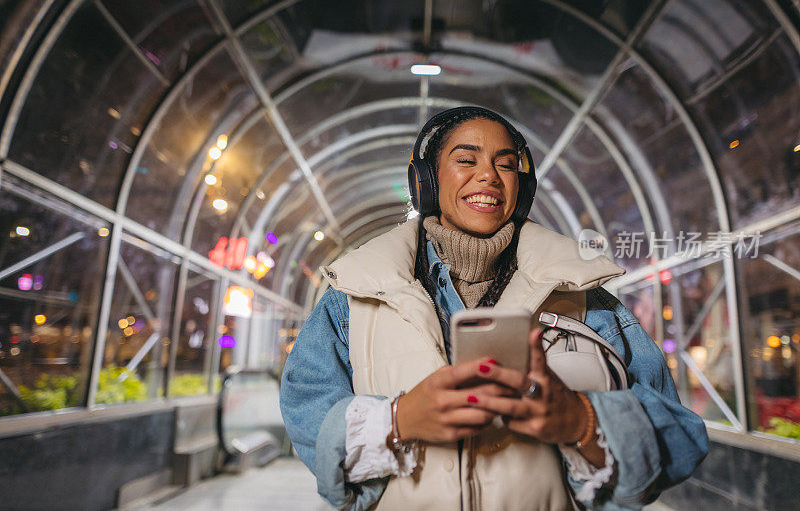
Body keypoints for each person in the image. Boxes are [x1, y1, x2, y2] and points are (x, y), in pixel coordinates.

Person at [280, 106, 708, 510]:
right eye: (467, 160)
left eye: (505, 164)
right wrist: (398, 420)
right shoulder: (354, 296)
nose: (488, 175)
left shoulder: (585, 298)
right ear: (426, 182)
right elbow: (307, 418)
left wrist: (582, 421)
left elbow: (681, 438)